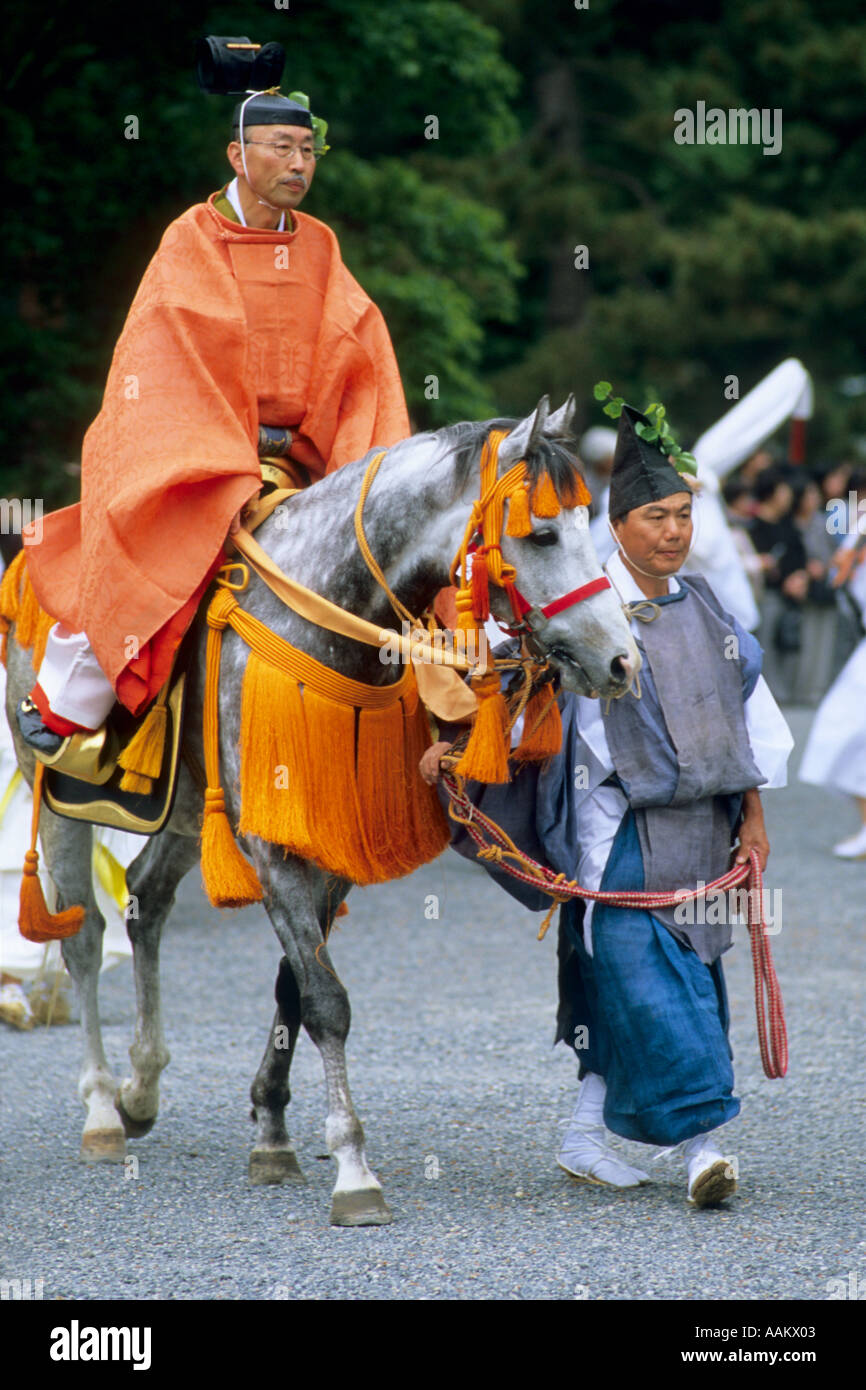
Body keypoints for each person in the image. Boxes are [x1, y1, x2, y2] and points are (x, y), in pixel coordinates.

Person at [17, 88, 409, 754]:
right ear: (237, 153)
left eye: (308, 151)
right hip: (200, 451)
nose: (299, 164)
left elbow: (354, 345)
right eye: (282, 148)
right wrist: (231, 442)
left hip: (303, 457)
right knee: (151, 535)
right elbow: (169, 353)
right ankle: (72, 699)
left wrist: (331, 445)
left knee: (393, 552)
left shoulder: (319, 244)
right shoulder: (190, 238)